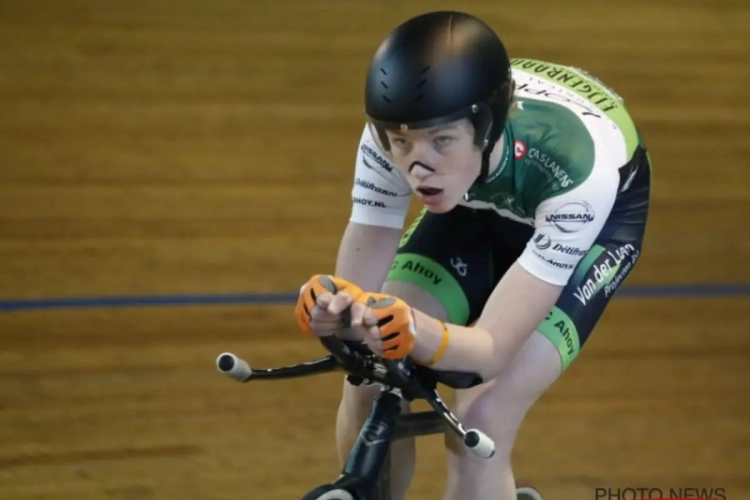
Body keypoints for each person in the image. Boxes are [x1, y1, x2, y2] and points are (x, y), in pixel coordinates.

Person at [294, 10, 651, 500]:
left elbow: (488, 353)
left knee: (480, 415)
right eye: (402, 143)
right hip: (474, 197)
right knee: (370, 372)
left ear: (486, 125)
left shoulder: (576, 172)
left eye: (441, 140)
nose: (418, 165)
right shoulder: (394, 137)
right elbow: (359, 301)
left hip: (592, 220)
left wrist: (415, 330)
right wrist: (338, 309)